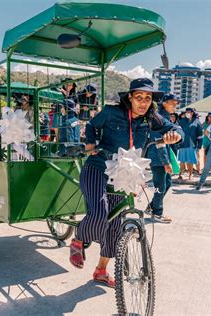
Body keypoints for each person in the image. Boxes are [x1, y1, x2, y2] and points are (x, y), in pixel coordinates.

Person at [68, 78, 180, 287]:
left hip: (124, 174)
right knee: (99, 214)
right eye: (139, 97)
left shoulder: (150, 118)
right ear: (129, 97)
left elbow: (173, 128)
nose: (144, 102)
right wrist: (90, 143)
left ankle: (101, 271)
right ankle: (78, 240)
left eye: (148, 98)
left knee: (115, 227)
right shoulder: (112, 112)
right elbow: (92, 125)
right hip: (98, 167)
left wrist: (174, 135)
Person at [145, 93, 183, 224]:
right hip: (157, 158)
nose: (175, 105)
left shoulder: (166, 117)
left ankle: (152, 207)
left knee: (167, 183)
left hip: (161, 157)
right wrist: (166, 162)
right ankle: (157, 213)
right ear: (164, 103)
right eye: (173, 102)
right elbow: (159, 142)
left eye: (177, 103)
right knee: (160, 185)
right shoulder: (158, 117)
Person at [178, 107, 203, 180]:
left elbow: (200, 136)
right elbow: (178, 131)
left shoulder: (197, 122)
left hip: (192, 144)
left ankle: (190, 174)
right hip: (183, 143)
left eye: (189, 112)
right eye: (186, 112)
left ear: (192, 113)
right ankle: (181, 174)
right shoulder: (181, 121)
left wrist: (199, 146)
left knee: (190, 160)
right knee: (182, 160)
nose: (187, 113)